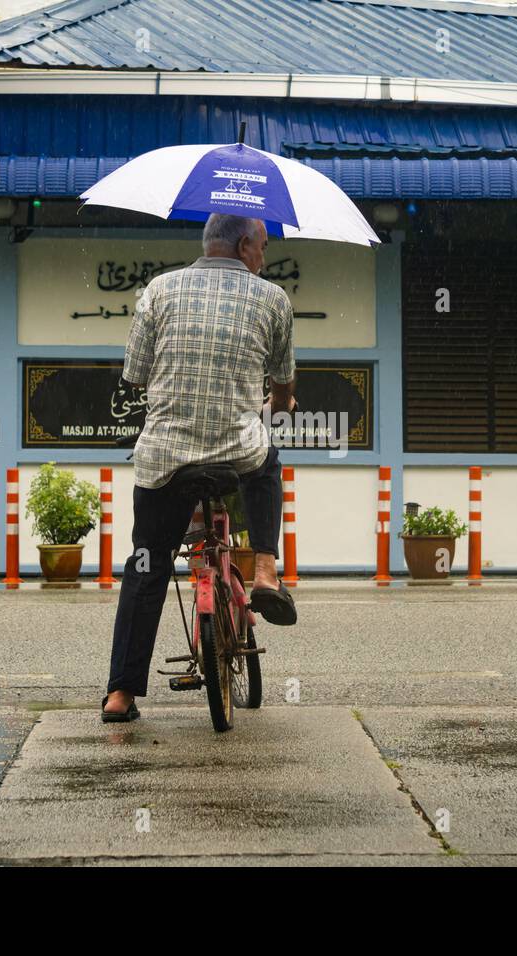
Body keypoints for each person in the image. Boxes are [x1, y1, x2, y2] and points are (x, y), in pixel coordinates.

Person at [102, 213, 297, 722]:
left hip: (166, 459)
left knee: (147, 564)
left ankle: (120, 694)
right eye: (263, 246)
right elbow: (281, 385)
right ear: (244, 245)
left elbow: (136, 374)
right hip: (237, 453)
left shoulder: (159, 290)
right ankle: (266, 570)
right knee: (267, 460)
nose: (265, 257)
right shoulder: (272, 298)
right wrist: (277, 404)